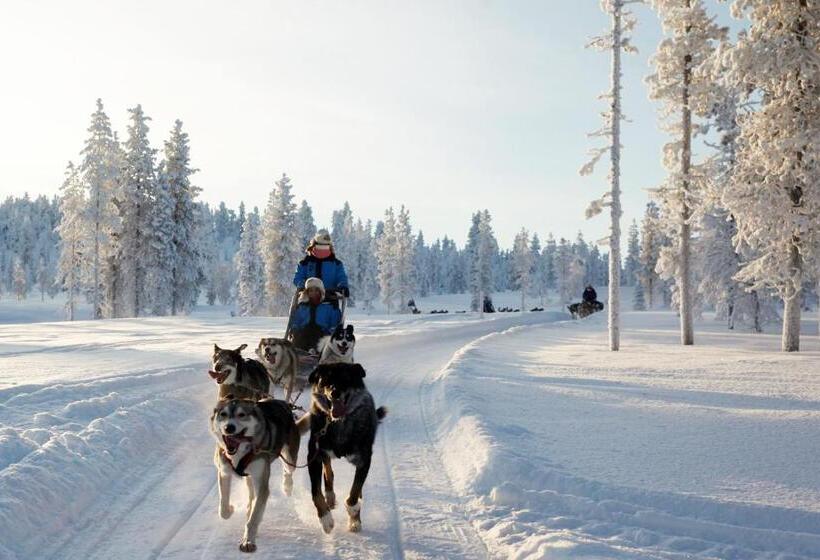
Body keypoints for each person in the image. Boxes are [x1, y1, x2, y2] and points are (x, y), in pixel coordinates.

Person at [293, 230, 349, 300]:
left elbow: (341, 277)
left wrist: (343, 286)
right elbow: (298, 278)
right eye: (320, 247)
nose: (322, 251)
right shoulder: (305, 263)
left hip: (330, 301)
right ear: (314, 246)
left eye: (325, 248)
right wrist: (304, 286)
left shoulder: (336, 264)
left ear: (329, 247)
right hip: (308, 302)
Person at [290, 277, 342, 352]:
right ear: (307, 293)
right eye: (311, 291)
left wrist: (332, 330)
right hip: (304, 332)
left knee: (316, 334)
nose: (313, 293)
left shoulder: (329, 307)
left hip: (323, 332)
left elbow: (334, 322)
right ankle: (298, 353)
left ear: (321, 291)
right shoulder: (302, 307)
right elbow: (296, 320)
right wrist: (294, 328)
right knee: (299, 335)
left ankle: (313, 352)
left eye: (316, 290)